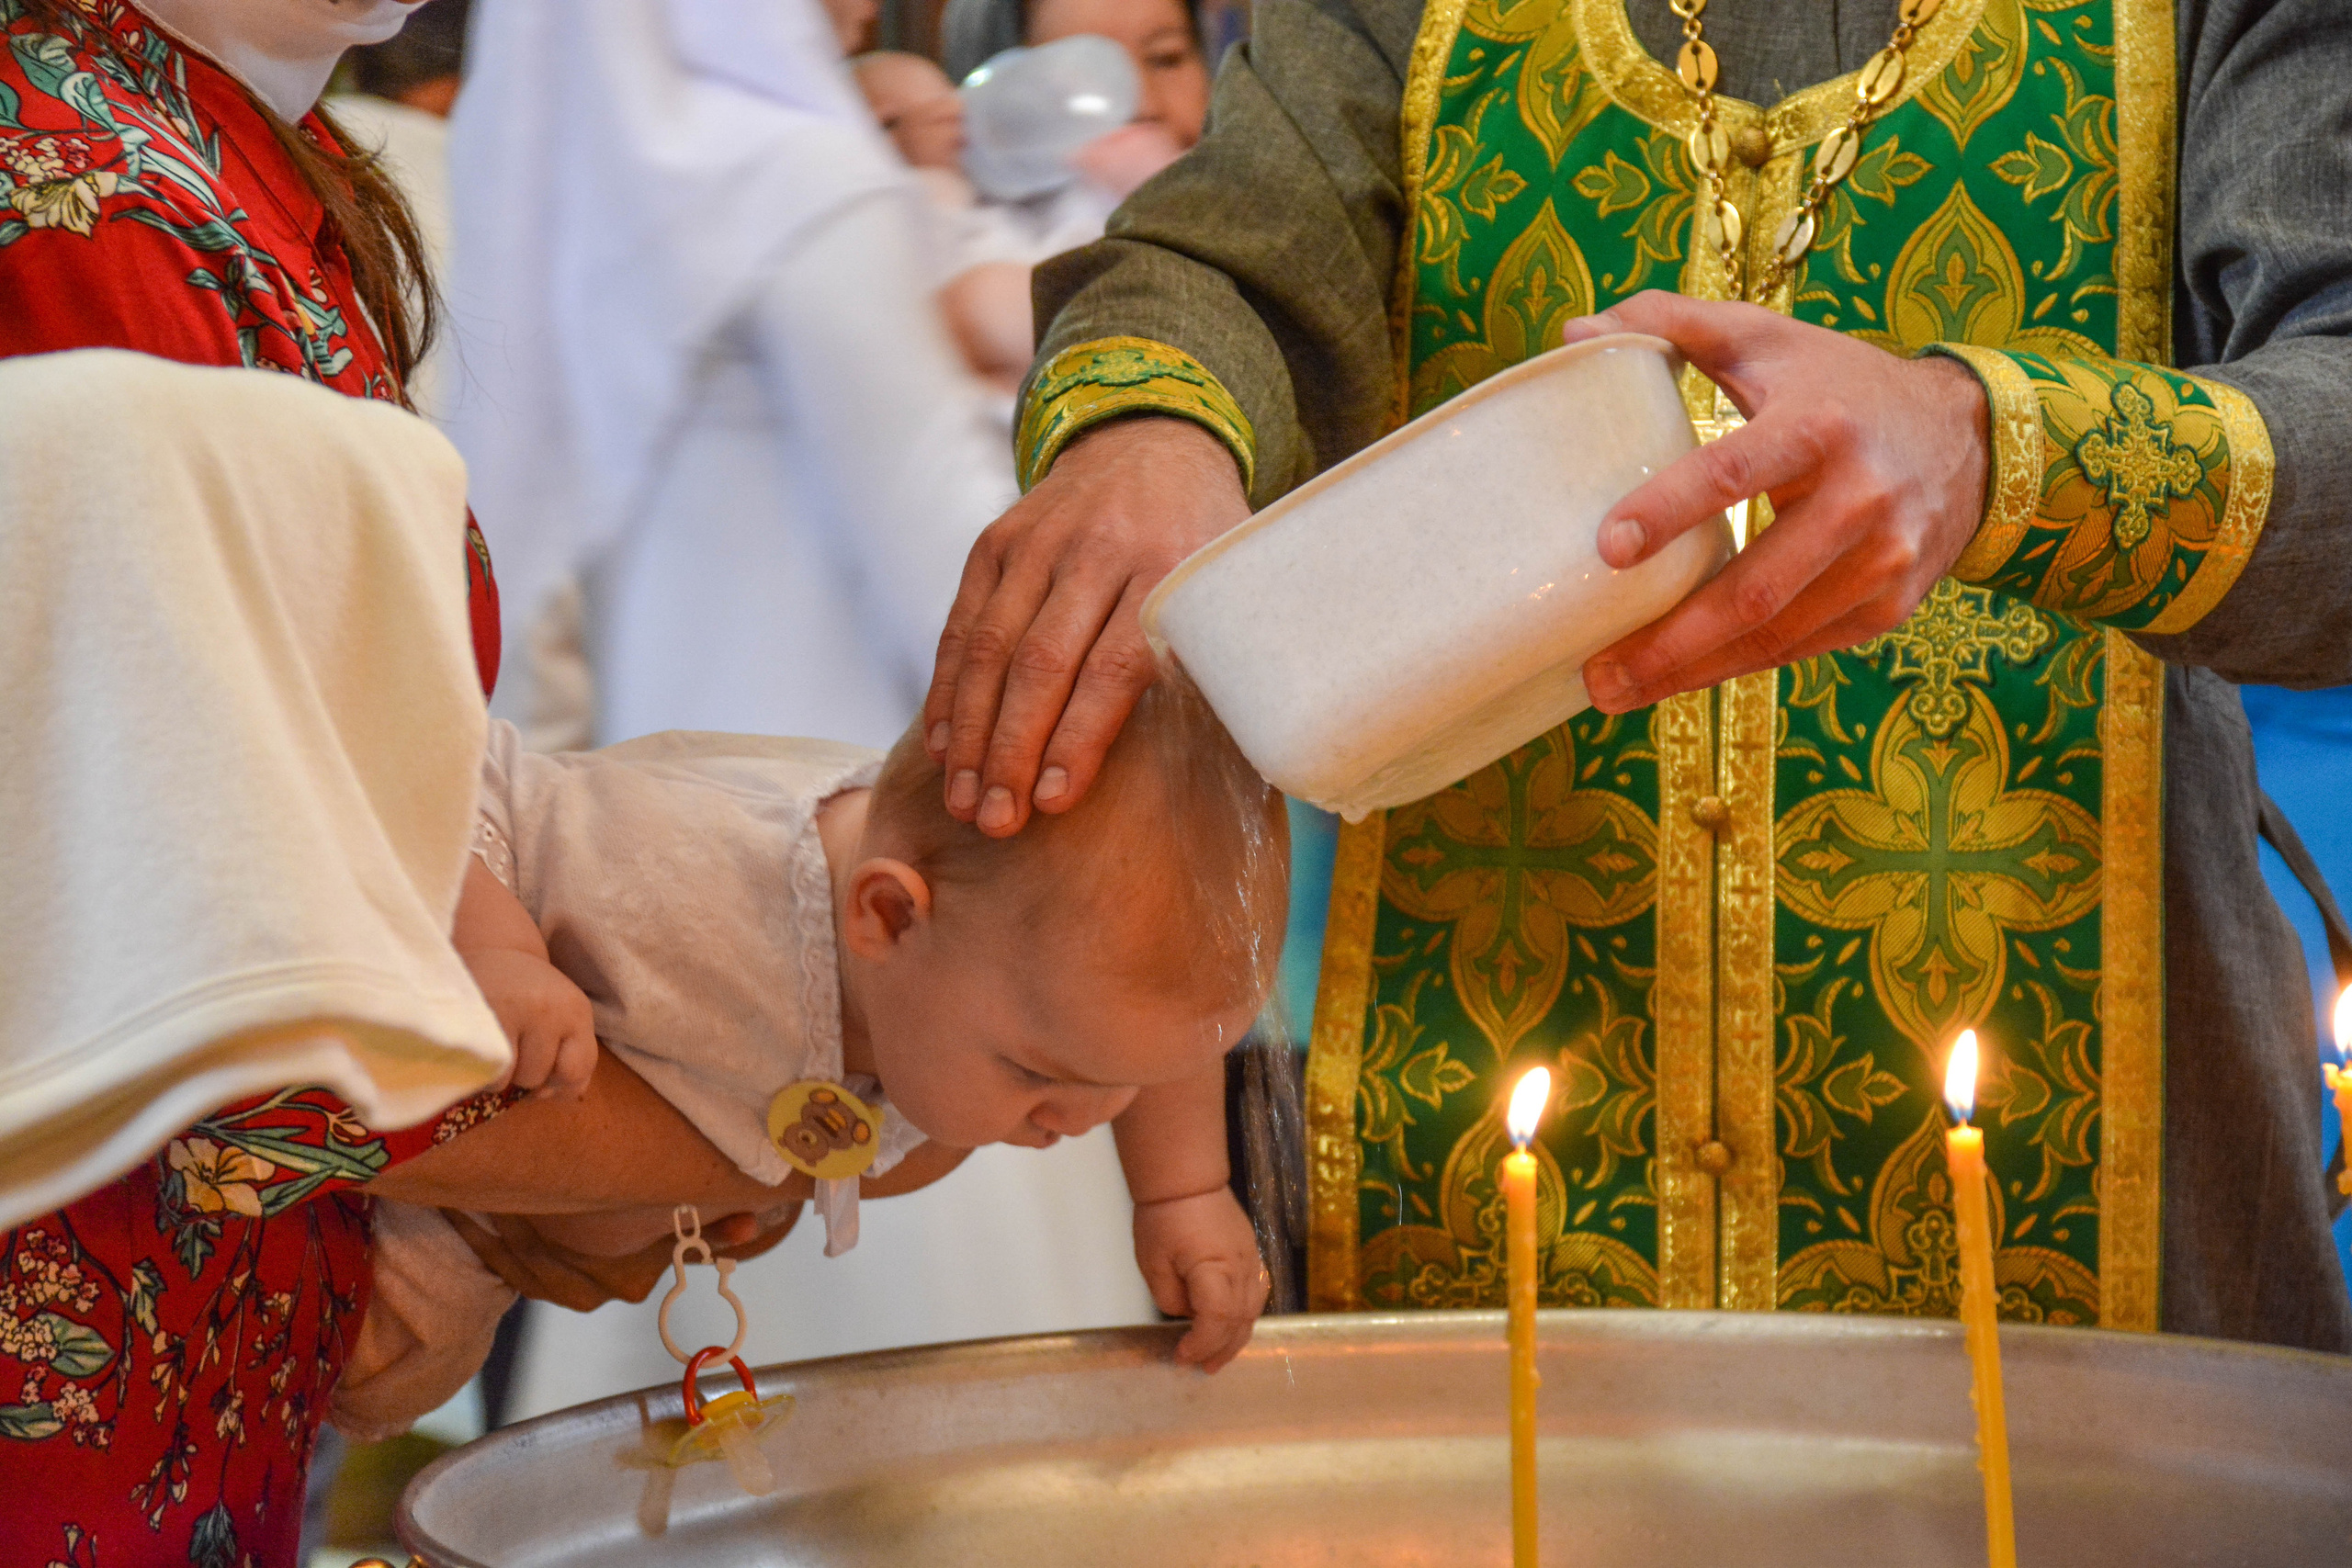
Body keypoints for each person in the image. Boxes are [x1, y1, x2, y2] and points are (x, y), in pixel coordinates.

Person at [922, 0, 2352, 1351]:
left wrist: (1999, 450)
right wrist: (1150, 427)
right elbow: (1226, 253)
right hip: (1456, 1141)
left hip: (2108, 1138)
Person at [336, 682, 1282, 1437]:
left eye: (1122, 1080)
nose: (1081, 1120)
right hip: (353, 1108)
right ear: (887, 916)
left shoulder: (1001, 957)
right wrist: (495, 945)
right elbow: (453, 786)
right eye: (1040, 1073)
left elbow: (1157, 1026)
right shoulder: (686, 879)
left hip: (500, 1227)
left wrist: (1182, 1192)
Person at [446, 0, 1015, 755]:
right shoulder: (795, 176)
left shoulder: (589, 181)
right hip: (820, 776)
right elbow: (945, 552)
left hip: (646, 764)